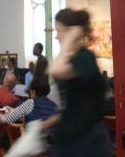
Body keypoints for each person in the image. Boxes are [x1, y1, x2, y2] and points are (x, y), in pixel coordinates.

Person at [46, 9, 110, 157]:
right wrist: (43, 125)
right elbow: (70, 108)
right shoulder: (72, 60)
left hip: (87, 143)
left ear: (70, 31)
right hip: (69, 141)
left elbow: (54, 70)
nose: (56, 36)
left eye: (58, 31)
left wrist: (70, 39)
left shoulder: (85, 58)